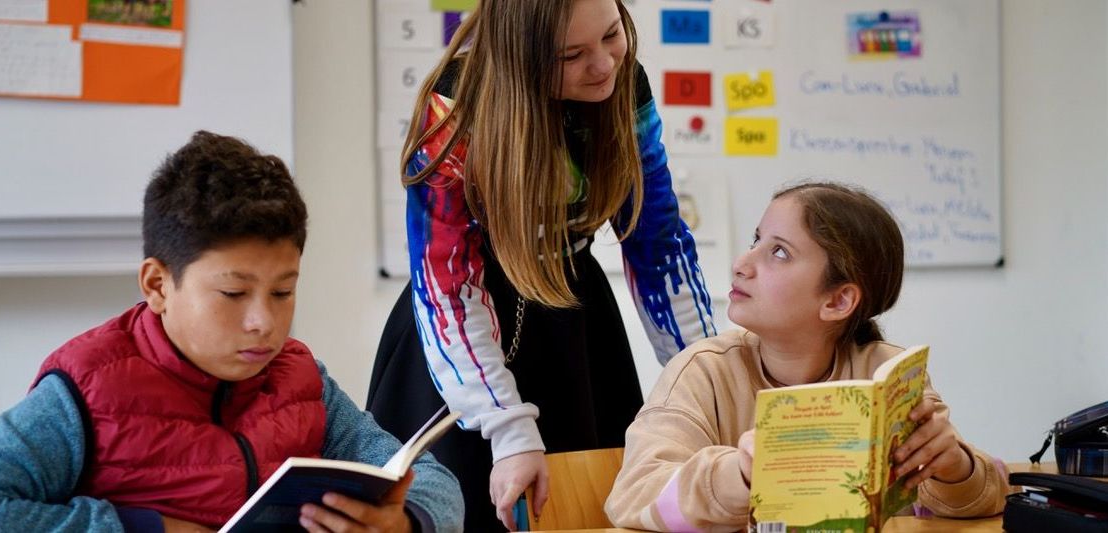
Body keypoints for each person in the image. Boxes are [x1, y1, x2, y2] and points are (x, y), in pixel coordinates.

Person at [0, 131, 463, 533]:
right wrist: (146, 528)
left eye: (282, 292)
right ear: (158, 284)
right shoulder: (85, 390)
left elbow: (435, 485)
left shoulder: (301, 381)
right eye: (233, 294)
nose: (263, 322)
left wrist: (404, 522)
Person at [365, 0, 716, 530]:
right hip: (464, 338)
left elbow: (659, 247)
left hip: (572, 315)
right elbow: (447, 286)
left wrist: (709, 387)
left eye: (612, 35)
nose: (604, 65)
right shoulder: (455, 108)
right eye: (571, 55)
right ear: (519, 56)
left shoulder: (624, 85)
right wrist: (507, 429)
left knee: (587, 506)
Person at [605, 182, 1009, 531]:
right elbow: (633, 494)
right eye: (756, 241)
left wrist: (956, 467)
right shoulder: (704, 370)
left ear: (838, 301)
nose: (741, 264)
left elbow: (985, 497)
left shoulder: (886, 374)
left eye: (779, 253)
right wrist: (741, 474)